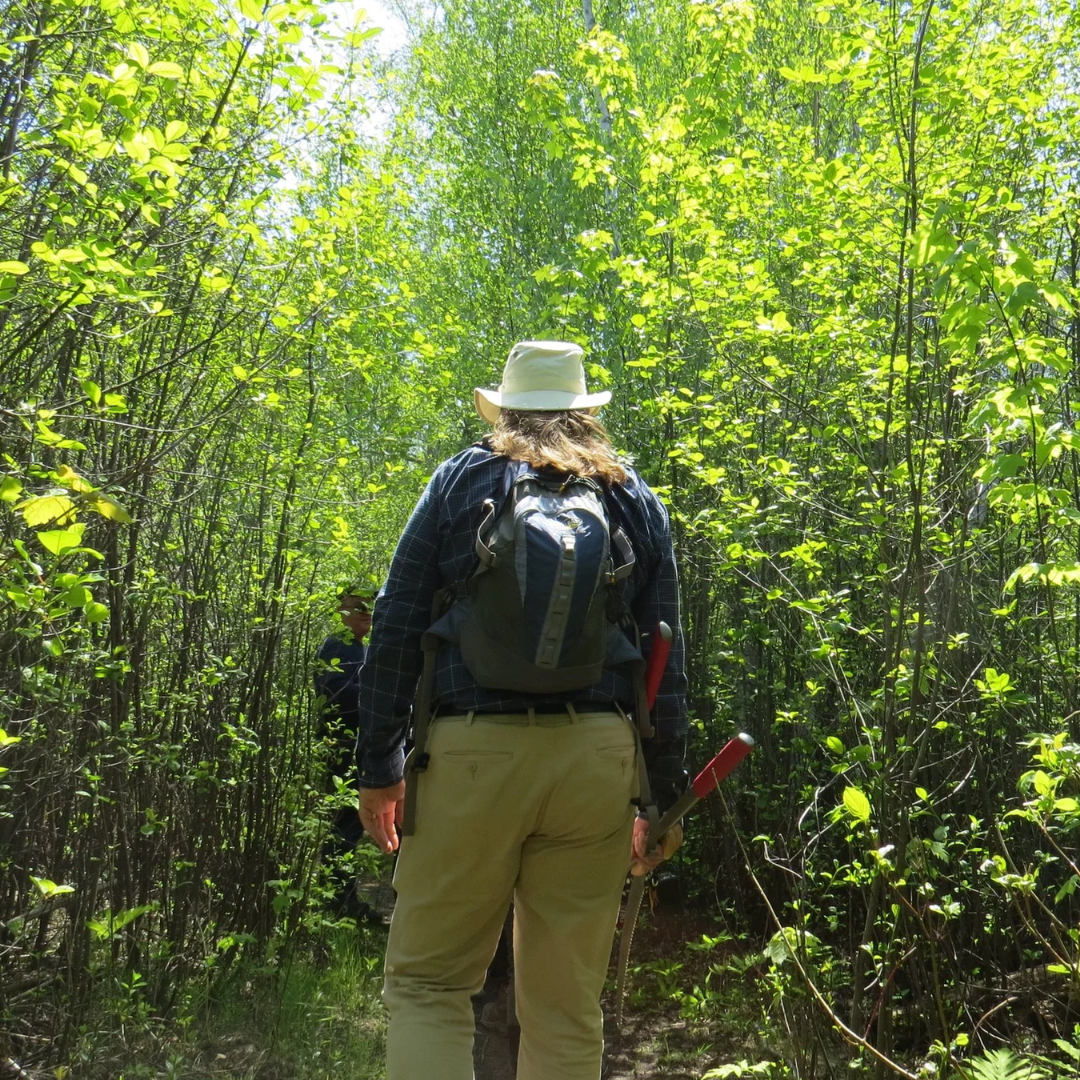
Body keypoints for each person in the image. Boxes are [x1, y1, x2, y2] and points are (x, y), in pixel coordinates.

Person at [356, 340, 688, 1080]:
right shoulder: (632, 496)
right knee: (567, 1010)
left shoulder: (460, 481)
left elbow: (398, 621)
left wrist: (380, 765)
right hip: (595, 764)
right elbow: (668, 654)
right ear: (583, 414)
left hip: (471, 756)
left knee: (430, 985)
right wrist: (661, 798)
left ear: (505, 408)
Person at [313, 585, 380, 923]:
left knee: (354, 826)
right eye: (356, 605)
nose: (365, 611)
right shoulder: (335, 646)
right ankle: (338, 904)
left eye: (369, 604)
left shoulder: (360, 648)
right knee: (345, 827)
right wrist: (381, 696)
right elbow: (335, 690)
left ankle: (345, 902)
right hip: (342, 751)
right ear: (339, 610)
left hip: (361, 750)